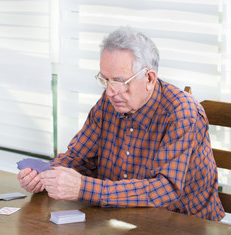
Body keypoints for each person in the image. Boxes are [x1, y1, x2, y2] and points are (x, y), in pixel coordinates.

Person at [17, 26, 225, 221]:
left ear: (150, 78)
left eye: (119, 81)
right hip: (123, 218)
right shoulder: (110, 102)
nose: (110, 91)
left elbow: (166, 190)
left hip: (185, 224)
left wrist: (84, 188)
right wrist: (45, 175)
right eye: (105, 79)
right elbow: (79, 158)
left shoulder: (182, 113)